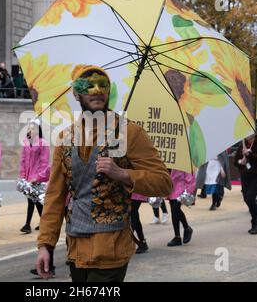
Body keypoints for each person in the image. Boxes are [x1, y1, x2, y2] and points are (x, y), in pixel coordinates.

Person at [35, 65, 172, 282]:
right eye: (88, 85)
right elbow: (55, 196)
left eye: (102, 85)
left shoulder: (129, 132)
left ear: (109, 91)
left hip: (111, 249)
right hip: (76, 248)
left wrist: (123, 174)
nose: (97, 90)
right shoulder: (65, 137)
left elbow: (164, 183)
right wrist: (45, 244)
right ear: (76, 93)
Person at [234, 126, 257, 235]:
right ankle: (256, 218)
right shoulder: (242, 144)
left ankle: (255, 222)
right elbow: (235, 161)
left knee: (250, 197)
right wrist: (241, 161)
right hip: (245, 175)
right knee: (246, 198)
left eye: (250, 133)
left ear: (255, 133)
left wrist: (250, 155)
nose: (248, 136)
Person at [19, 119, 50, 234]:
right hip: (28, 178)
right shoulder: (26, 143)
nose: (30, 130)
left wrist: (39, 177)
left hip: (37, 178)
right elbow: (22, 161)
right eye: (29, 128)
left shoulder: (43, 143)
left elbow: (44, 162)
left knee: (35, 201)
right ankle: (42, 222)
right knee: (32, 201)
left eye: (33, 128)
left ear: (38, 130)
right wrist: (22, 176)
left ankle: (28, 224)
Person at [166, 170, 195, 246]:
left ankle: (178, 235)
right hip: (171, 186)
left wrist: (189, 190)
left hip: (181, 186)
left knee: (175, 209)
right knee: (174, 210)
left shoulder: (184, 159)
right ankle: (185, 230)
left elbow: (189, 175)